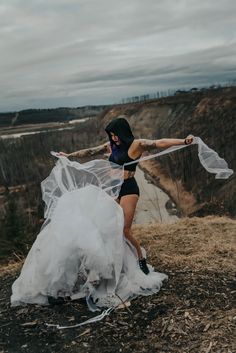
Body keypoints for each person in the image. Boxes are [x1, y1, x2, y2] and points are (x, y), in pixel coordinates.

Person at [59, 117, 193, 275]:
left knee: (125, 229)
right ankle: (116, 260)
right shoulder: (110, 146)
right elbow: (90, 151)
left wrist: (184, 141)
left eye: (115, 134)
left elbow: (160, 142)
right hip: (114, 188)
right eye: (111, 135)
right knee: (110, 227)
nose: (113, 138)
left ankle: (140, 257)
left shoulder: (137, 145)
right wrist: (69, 155)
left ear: (122, 132)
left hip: (129, 188)